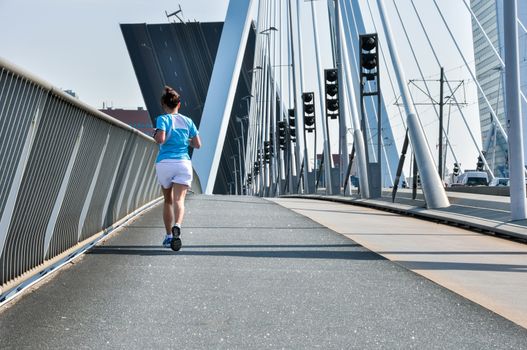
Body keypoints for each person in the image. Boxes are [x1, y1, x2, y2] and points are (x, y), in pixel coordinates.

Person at [154, 86, 201, 251]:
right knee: (179, 200)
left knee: (167, 200)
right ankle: (178, 226)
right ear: (178, 104)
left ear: (163, 105)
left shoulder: (163, 119)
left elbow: (160, 139)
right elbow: (197, 144)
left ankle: (168, 236)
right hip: (183, 163)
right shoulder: (188, 121)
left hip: (165, 163)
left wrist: (156, 134)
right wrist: (186, 141)